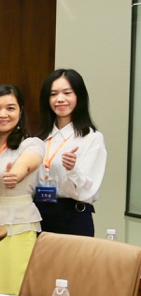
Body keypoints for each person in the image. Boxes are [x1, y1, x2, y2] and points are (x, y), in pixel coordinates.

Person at [0, 85, 45, 295]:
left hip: (14, 225)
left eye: (10, 108)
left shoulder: (30, 143)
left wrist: (17, 172)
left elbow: (30, 160)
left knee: (7, 291)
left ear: (20, 112)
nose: (3, 114)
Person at [36, 68, 106, 237]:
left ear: (79, 97)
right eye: (53, 94)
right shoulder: (39, 138)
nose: (60, 99)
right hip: (38, 214)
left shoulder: (91, 138)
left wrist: (73, 169)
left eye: (67, 93)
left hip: (73, 217)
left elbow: (88, 189)